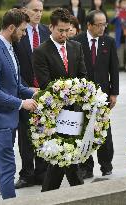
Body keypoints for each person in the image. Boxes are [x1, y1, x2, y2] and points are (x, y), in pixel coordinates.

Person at [0, 9, 38, 204]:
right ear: (11, 27)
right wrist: (22, 103)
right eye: (22, 30)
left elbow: (16, 85)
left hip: (6, 118)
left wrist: (35, 92)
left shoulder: (9, 47)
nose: (23, 34)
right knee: (8, 168)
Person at [32, 8, 87, 192]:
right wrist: (71, 91)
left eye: (67, 30)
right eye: (60, 30)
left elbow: (82, 77)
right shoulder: (41, 52)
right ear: (51, 28)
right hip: (55, 113)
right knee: (65, 156)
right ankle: (80, 193)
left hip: (75, 111)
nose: (64, 34)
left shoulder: (76, 47)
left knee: (64, 157)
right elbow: (46, 84)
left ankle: (48, 195)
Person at [72, 10, 119, 179]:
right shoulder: (76, 41)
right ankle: (86, 167)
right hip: (83, 95)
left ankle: (106, 165)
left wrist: (114, 93)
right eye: (99, 25)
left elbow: (114, 69)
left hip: (103, 95)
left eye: (104, 24)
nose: (102, 28)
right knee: (85, 130)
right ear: (89, 25)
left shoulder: (109, 42)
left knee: (104, 131)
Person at [13, 0, 50, 189]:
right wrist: (25, 89)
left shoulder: (45, 32)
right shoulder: (17, 33)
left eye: (41, 11)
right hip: (24, 91)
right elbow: (14, 64)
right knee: (26, 136)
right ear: (24, 11)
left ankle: (42, 173)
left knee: (43, 133)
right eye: (35, 10)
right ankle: (26, 174)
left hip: (45, 92)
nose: (38, 14)